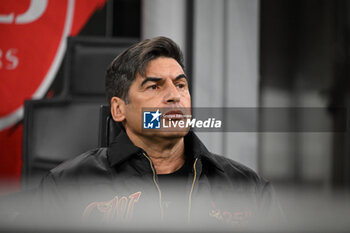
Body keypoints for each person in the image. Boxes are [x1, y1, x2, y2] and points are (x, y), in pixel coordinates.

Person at [33, 36, 281, 229]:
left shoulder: (248, 188)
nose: (174, 95)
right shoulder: (66, 187)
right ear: (119, 110)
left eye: (181, 85)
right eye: (154, 86)